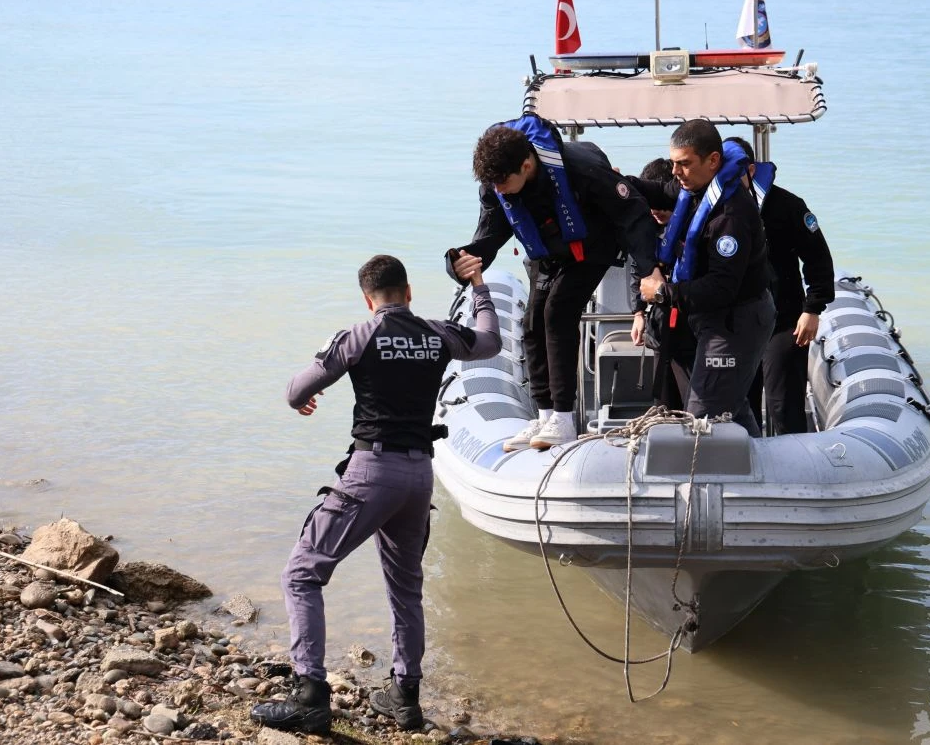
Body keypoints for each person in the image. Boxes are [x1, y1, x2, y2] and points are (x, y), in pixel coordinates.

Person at [251, 253, 499, 735]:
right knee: (406, 587)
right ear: (408, 293)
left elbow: (295, 390)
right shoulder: (438, 333)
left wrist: (305, 395)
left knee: (303, 573)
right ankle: (404, 698)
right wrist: (480, 286)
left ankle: (310, 696)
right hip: (419, 477)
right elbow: (490, 340)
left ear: (369, 300)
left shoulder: (358, 336)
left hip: (371, 471)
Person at [456, 114, 660, 450]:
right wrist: (461, 262)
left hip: (593, 244)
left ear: (526, 165)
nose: (498, 190)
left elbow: (634, 214)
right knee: (532, 322)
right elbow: (489, 237)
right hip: (548, 251)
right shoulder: (497, 184)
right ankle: (545, 414)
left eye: (502, 183)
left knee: (558, 312)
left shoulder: (581, 170)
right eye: (492, 185)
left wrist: (648, 270)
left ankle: (564, 418)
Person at [631, 120, 776, 436]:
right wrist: (616, 183)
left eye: (684, 164)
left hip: (737, 322)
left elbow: (721, 289)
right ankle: (759, 465)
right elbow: (658, 191)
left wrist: (662, 292)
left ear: (713, 160)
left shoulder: (730, 217)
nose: (675, 172)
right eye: (673, 163)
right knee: (732, 408)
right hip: (709, 318)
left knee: (701, 419)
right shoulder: (695, 187)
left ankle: (698, 481)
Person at [723, 137, 836, 435]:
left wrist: (812, 308)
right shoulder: (717, 208)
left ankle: (796, 466)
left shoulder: (788, 206)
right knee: (738, 404)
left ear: (749, 169)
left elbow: (818, 259)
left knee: (782, 402)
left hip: (784, 321)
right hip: (737, 324)